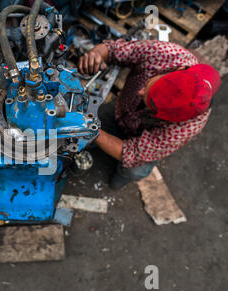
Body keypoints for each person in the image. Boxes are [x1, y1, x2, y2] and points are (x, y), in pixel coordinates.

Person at [78, 39, 221, 189]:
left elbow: (133, 152)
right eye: (149, 84)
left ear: (172, 120)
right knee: (87, 131)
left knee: (135, 170)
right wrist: (97, 53)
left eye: (150, 103)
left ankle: (122, 175)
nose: (140, 92)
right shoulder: (164, 54)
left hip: (142, 140)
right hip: (120, 111)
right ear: (180, 69)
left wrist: (91, 130)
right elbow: (114, 49)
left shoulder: (185, 127)